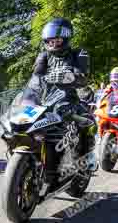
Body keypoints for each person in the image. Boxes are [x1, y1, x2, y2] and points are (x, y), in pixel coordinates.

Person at [15, 17, 97, 180]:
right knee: (23, 121)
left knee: (86, 121)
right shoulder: (43, 56)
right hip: (46, 101)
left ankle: (85, 159)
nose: (53, 42)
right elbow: (36, 77)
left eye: (56, 39)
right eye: (50, 39)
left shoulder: (78, 53)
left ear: (66, 37)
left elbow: (83, 77)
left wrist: (72, 77)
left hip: (69, 99)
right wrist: (27, 97)